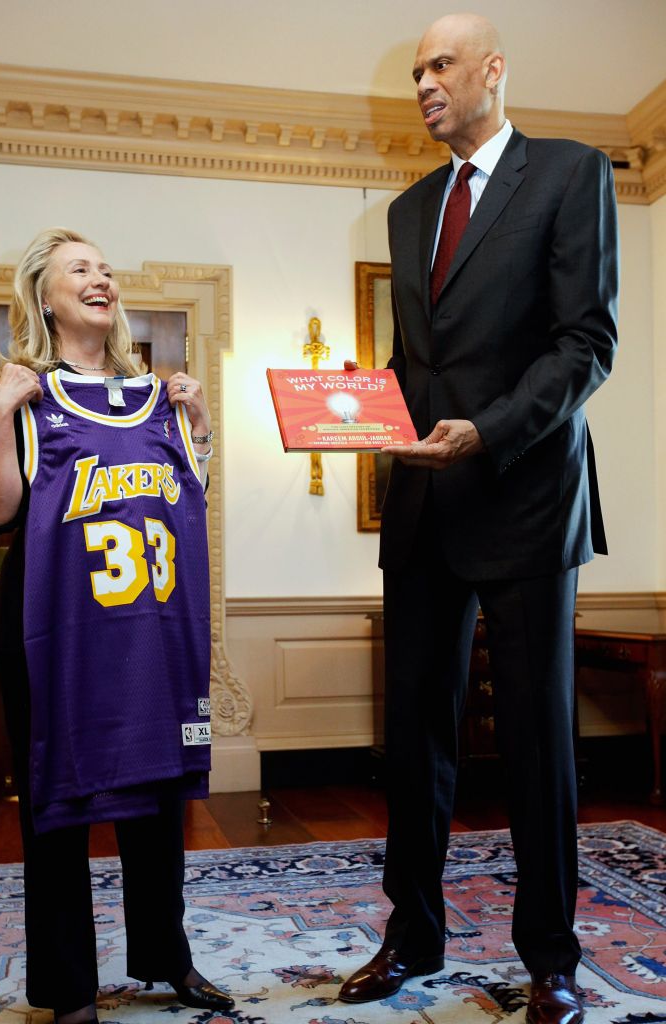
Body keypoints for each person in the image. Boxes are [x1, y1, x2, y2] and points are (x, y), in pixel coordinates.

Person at [338, 14, 618, 1024]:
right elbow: (419, 370)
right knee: (413, 743)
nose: (423, 82)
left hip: (527, 497)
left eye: (439, 65)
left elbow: (585, 343)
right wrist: (356, 412)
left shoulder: (572, 172)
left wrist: (486, 431)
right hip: (421, 508)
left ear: (493, 72)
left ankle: (549, 960)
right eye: (415, 69)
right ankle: (410, 939)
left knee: (539, 742)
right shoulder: (409, 211)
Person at [0, 227, 234, 1024]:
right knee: (55, 806)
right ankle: (69, 988)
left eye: (107, 270)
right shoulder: (22, 391)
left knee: (156, 802)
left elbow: (190, 500)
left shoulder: (159, 391)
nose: (100, 278)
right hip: (54, 637)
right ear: (43, 294)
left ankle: (166, 958)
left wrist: (202, 425)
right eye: (80, 268)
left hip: (145, 632)